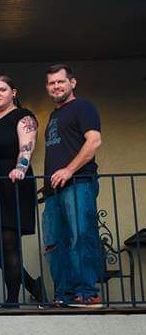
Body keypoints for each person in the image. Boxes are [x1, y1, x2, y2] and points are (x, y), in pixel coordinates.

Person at [0, 75, 46, 308]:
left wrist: (20, 168)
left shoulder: (23, 116)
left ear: (13, 93)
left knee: (9, 243)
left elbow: (26, 147)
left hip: (13, 181)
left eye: (2, 89)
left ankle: (12, 300)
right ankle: (33, 285)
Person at [42, 64, 103, 308]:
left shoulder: (83, 107)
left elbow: (94, 141)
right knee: (55, 243)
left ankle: (87, 292)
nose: (56, 86)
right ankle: (64, 294)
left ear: (72, 83)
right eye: (52, 83)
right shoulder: (54, 115)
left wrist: (68, 170)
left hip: (79, 183)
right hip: (54, 190)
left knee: (81, 236)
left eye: (61, 81)